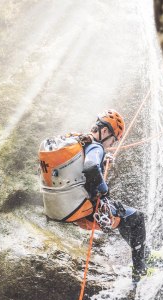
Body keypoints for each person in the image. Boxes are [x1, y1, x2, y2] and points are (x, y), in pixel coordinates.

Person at [39, 110, 148, 283]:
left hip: (61, 209)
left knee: (123, 217)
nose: (111, 144)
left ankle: (141, 252)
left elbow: (81, 167)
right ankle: (140, 270)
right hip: (83, 211)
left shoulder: (79, 140)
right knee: (137, 218)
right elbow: (90, 166)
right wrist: (104, 190)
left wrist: (103, 161)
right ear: (105, 132)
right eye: (113, 139)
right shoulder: (96, 146)